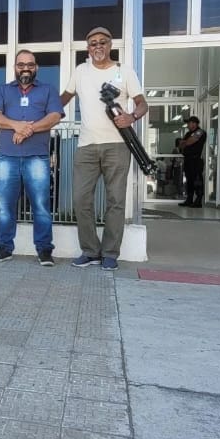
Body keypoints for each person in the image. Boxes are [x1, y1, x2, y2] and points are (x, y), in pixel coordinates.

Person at [61, 27, 148, 271]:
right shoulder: (80, 71)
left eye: (102, 42)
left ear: (110, 45)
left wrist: (132, 116)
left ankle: (110, 253)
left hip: (117, 146)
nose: (97, 46)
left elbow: (142, 103)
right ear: (88, 48)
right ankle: (90, 251)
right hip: (86, 146)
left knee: (116, 200)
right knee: (81, 199)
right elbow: (63, 99)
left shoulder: (125, 71)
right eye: (93, 43)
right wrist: (39, 118)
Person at [0, 50, 64, 266]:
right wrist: (16, 125)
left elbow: (54, 117)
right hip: (7, 157)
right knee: (5, 205)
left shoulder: (48, 90)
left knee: (41, 205)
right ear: (15, 68)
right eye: (21, 65)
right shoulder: (3, 90)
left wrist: (28, 130)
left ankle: (44, 250)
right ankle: (5, 248)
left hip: (37, 157)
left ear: (36, 67)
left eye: (30, 64)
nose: (25, 68)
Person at [178, 115, 207, 208]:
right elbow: (180, 145)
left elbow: (189, 142)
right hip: (188, 160)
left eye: (189, 123)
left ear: (194, 124)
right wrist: (185, 143)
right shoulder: (188, 134)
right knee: (189, 180)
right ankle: (189, 199)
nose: (187, 125)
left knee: (197, 180)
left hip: (196, 160)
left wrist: (185, 142)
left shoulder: (200, 132)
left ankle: (198, 200)